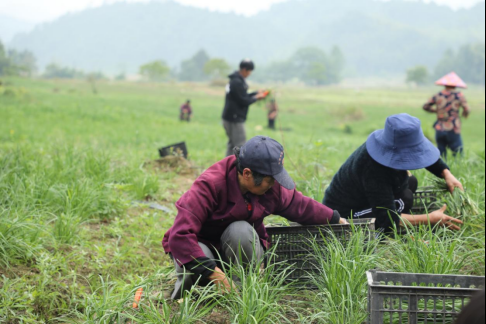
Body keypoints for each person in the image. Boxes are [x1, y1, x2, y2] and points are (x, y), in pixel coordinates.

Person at [163, 136, 348, 299]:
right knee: (194, 259)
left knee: (241, 230)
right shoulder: (210, 185)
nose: (274, 184)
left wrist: (334, 218)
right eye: (270, 180)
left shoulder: (270, 188)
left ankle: (240, 294)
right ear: (247, 174)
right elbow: (180, 235)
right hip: (203, 251)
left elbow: (299, 205)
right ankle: (196, 298)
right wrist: (216, 275)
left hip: (234, 253)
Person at [323, 114, 464, 236]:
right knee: (404, 200)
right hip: (346, 214)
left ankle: (395, 227)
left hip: (366, 196)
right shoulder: (374, 169)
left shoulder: (388, 143)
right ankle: (385, 235)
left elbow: (423, 154)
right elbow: (387, 217)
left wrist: (446, 173)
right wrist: (430, 218)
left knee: (411, 182)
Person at [222, 60, 267, 157]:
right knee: (240, 145)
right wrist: (256, 97)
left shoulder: (235, 80)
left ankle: (227, 168)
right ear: (244, 70)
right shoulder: (237, 82)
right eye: (249, 71)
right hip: (235, 119)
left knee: (232, 145)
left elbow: (242, 95)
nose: (250, 74)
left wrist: (255, 93)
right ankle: (237, 170)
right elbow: (243, 101)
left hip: (229, 117)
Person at [423, 72, 471, 158]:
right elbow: (467, 109)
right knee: (458, 154)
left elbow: (426, 106)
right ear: (456, 85)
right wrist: (464, 114)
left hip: (440, 127)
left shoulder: (438, 95)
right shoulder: (459, 95)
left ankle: (442, 171)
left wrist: (436, 111)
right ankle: (457, 170)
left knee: (441, 154)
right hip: (453, 127)